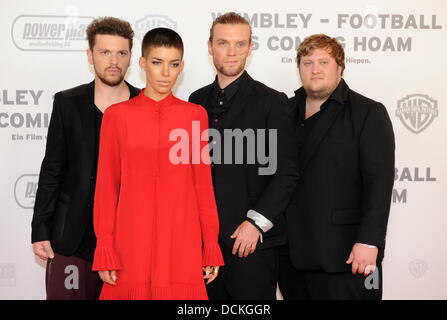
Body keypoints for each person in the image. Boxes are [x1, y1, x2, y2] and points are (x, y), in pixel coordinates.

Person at [92, 27, 224, 300]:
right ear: (142, 64)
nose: (166, 73)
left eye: (173, 64)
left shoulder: (195, 116)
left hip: (181, 241)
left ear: (182, 67)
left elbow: (203, 186)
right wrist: (105, 245)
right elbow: (107, 187)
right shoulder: (116, 116)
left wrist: (210, 242)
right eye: (157, 62)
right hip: (130, 241)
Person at [189, 12, 298, 300]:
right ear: (210, 46)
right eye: (224, 43)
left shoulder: (272, 102)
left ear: (250, 49)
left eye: (240, 44)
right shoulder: (195, 101)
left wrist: (255, 224)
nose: (232, 51)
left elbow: (286, 172)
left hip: (249, 244)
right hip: (202, 244)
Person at [279, 34, 395, 300]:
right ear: (299, 69)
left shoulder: (368, 112)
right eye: (307, 62)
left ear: (340, 68)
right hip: (291, 258)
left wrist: (369, 241)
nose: (315, 69)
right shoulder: (284, 110)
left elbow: (379, 183)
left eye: (323, 62)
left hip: (346, 257)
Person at [31, 17, 139, 300]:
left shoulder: (145, 106)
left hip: (128, 243)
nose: (114, 61)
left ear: (131, 57)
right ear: (90, 56)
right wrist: (40, 228)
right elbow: (52, 169)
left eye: (121, 53)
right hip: (72, 239)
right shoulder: (67, 103)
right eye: (105, 52)